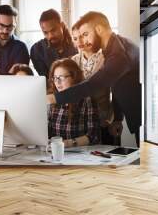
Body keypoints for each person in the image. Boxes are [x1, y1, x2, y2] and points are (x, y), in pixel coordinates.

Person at [47, 11, 141, 147]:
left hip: (142, 117)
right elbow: (118, 85)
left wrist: (54, 98)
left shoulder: (119, 54)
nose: (84, 41)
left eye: (86, 34)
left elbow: (93, 84)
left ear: (98, 29)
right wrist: (118, 118)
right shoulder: (116, 47)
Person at [71, 23, 123, 145]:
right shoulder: (73, 61)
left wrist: (118, 119)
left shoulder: (107, 57)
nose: (79, 41)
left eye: (83, 36)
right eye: (75, 38)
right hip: (81, 122)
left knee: (108, 158)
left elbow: (117, 90)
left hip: (104, 121)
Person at [47, 58, 100, 148]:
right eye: (55, 78)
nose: (57, 82)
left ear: (74, 77)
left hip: (80, 154)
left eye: (62, 77)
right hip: (54, 151)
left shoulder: (87, 99)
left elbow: (93, 136)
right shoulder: (52, 99)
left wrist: (66, 144)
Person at [30, 9, 77, 79]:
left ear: (62, 25)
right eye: (45, 32)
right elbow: (45, 79)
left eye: (53, 30)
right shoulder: (37, 50)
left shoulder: (77, 45)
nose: (50, 36)